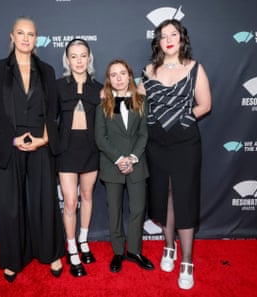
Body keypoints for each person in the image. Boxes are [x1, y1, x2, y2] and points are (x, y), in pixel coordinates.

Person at [0, 16, 65, 283]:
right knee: (10, 205)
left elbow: (53, 112)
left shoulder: (48, 71)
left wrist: (44, 138)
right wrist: (11, 140)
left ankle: (51, 252)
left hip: (40, 143)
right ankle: (12, 259)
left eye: (31, 34)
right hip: (10, 143)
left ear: (36, 38)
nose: (26, 38)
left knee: (45, 201)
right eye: (21, 33)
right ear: (12, 36)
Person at [137, 19, 212, 290]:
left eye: (174, 34)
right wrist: (110, 92)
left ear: (182, 39)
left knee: (184, 197)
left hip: (185, 143)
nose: (168, 39)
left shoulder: (195, 68)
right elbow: (134, 100)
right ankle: (169, 247)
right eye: (163, 35)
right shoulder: (148, 70)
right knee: (163, 196)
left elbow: (205, 104)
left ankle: (187, 261)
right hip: (156, 144)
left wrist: (184, 119)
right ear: (157, 41)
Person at [95, 59, 155, 273]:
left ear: (130, 76)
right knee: (115, 212)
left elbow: (143, 134)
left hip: (137, 164)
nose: (119, 78)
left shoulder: (141, 101)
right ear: (108, 80)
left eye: (123, 73)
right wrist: (120, 159)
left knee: (138, 209)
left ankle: (135, 251)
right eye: (114, 74)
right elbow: (101, 139)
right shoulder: (103, 105)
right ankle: (118, 251)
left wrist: (132, 157)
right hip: (112, 166)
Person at [56, 38, 102, 277]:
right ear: (67, 59)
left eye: (83, 55)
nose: (79, 60)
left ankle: (84, 240)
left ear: (90, 58)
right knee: (71, 201)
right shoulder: (58, 86)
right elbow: (49, 121)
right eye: (73, 56)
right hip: (66, 152)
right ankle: (71, 246)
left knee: (87, 195)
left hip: (91, 150)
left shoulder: (100, 88)